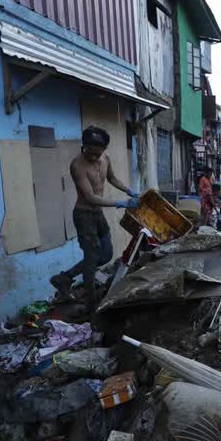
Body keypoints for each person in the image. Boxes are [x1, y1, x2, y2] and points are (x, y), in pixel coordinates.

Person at [50, 126, 138, 309]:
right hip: (84, 216)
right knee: (91, 259)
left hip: (98, 213)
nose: (93, 157)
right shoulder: (77, 165)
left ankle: (65, 278)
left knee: (105, 254)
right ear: (85, 146)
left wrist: (129, 191)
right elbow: (90, 197)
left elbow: (112, 179)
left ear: (104, 150)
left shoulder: (105, 159)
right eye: (89, 152)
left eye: (97, 154)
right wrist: (121, 203)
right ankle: (92, 305)